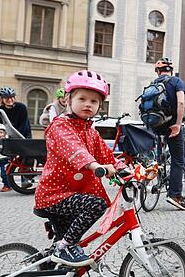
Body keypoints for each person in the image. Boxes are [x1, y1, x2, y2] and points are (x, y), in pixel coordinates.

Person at [34, 70, 126, 267]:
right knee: (97, 204)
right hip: (55, 195)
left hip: (73, 193)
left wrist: (126, 169)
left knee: (62, 259)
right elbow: (74, 150)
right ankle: (64, 247)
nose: (87, 104)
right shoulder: (60, 126)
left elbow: (106, 155)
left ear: (100, 106)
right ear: (68, 100)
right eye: (82, 98)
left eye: (94, 102)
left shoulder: (90, 131)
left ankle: (52, 258)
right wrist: (95, 167)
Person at [150, 57, 185, 210]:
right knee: (178, 160)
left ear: (158, 71)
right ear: (171, 70)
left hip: (156, 126)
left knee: (158, 158)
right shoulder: (176, 81)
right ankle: (175, 195)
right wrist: (178, 124)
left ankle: (156, 179)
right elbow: (180, 102)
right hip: (172, 126)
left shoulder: (153, 84)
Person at [0, 86, 33, 187]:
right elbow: (0, 124)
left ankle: (25, 180)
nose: (10, 99)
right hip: (10, 135)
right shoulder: (0, 110)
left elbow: (23, 125)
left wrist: (18, 137)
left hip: (24, 134)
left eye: (12, 97)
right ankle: (7, 183)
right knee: (11, 158)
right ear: (2, 99)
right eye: (6, 98)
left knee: (24, 156)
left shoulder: (21, 107)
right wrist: (1, 135)